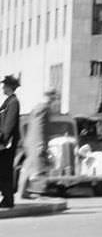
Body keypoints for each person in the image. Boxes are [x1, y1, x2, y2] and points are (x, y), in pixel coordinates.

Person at [18, 89, 58, 199]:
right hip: (36, 142)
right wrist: (40, 143)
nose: (54, 100)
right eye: (53, 97)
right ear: (49, 97)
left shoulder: (37, 107)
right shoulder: (44, 108)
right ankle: (29, 192)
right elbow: (39, 126)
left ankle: (23, 193)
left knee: (28, 167)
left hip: (31, 141)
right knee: (35, 168)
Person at [0, 75, 21, 208]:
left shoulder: (13, 102)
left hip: (6, 144)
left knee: (5, 171)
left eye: (4, 85)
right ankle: (6, 198)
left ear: (9, 87)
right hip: (4, 142)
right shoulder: (9, 101)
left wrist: (3, 141)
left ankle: (8, 199)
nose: (2, 87)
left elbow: (9, 124)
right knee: (3, 170)